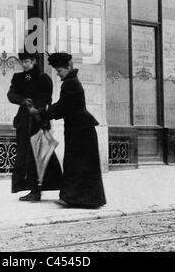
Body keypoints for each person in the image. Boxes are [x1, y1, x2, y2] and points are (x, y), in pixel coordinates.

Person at [29, 52, 106, 209]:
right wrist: (45, 111)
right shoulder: (71, 81)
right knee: (80, 165)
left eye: (59, 71)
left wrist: (40, 112)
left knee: (76, 164)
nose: (58, 74)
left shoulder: (70, 83)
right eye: (57, 71)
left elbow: (62, 107)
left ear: (68, 67)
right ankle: (84, 199)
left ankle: (72, 198)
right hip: (80, 129)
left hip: (80, 130)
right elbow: (62, 106)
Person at [7, 52, 62, 202]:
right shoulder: (18, 78)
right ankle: (31, 188)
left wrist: (38, 111)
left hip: (38, 121)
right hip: (24, 122)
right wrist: (23, 100)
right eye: (22, 62)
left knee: (40, 156)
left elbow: (47, 99)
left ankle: (37, 189)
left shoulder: (43, 78)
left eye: (26, 61)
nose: (24, 64)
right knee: (25, 157)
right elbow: (11, 95)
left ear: (33, 61)